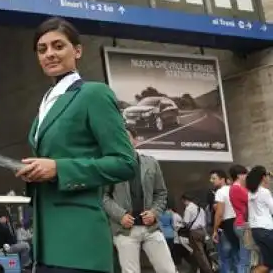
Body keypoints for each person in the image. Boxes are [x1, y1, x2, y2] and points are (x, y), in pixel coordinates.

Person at [17, 17, 135, 273]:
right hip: (45, 243)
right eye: (42, 49)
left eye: (58, 46)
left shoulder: (94, 94)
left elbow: (125, 163)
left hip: (80, 242)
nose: (50, 54)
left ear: (77, 51)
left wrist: (60, 169)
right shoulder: (47, 103)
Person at [104, 126, 176, 273]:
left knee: (168, 269)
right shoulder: (110, 165)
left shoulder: (151, 163)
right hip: (124, 230)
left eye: (127, 137)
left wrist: (154, 212)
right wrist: (121, 215)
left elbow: (161, 193)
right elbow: (104, 196)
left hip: (152, 228)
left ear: (135, 141)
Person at [213, 169, 244, 273]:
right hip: (240, 221)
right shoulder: (234, 188)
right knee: (240, 253)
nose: (211, 181)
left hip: (228, 223)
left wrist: (215, 230)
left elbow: (220, 213)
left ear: (222, 179)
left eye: (214, 178)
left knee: (227, 255)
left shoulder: (220, 192)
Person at [246, 166, 273, 273]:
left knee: (268, 263)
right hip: (267, 229)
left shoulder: (250, 193)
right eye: (267, 176)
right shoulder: (264, 192)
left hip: (256, 230)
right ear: (263, 177)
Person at [229, 164, 254, 273]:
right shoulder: (236, 188)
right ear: (239, 175)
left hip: (241, 224)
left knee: (246, 256)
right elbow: (253, 200)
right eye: (245, 174)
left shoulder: (237, 188)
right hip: (243, 225)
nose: (247, 176)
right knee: (245, 258)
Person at [182, 192, 215, 273]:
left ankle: (208, 271)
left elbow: (186, 221)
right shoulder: (200, 209)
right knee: (201, 252)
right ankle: (195, 270)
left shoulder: (188, 208)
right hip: (203, 231)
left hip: (194, 232)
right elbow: (204, 222)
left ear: (185, 200)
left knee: (200, 254)